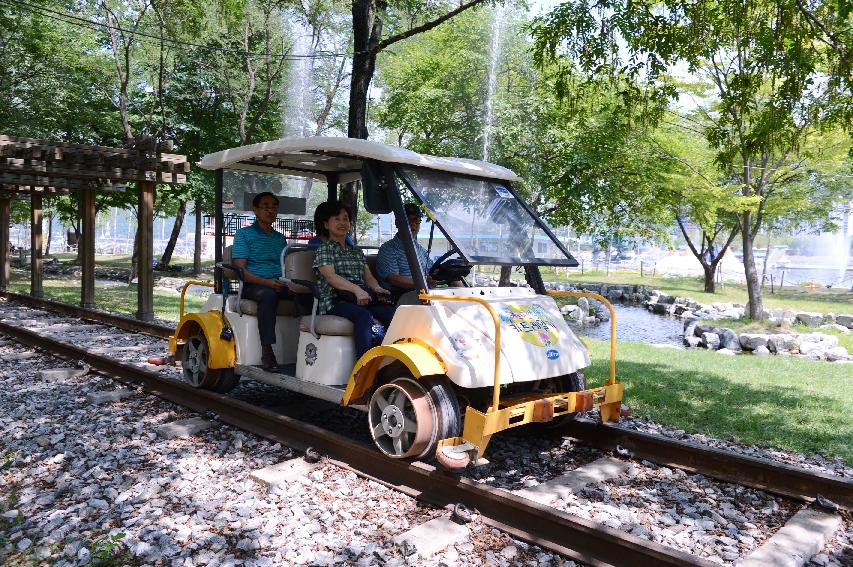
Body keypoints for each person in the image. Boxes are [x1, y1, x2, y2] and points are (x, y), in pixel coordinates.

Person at [313, 200, 395, 359]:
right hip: (335, 301)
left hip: (360, 299)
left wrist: (377, 289)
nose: (342, 223)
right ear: (326, 224)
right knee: (363, 316)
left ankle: (388, 362)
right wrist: (357, 290)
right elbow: (331, 277)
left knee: (392, 313)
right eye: (336, 219)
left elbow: (369, 277)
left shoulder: (356, 252)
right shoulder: (325, 249)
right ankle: (363, 368)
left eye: (345, 219)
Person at [231, 192, 291, 370]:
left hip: (278, 283)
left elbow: (285, 266)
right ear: (255, 210)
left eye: (274, 207)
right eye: (265, 206)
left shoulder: (280, 238)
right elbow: (240, 271)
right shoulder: (243, 235)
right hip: (253, 285)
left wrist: (285, 283)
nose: (270, 210)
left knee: (309, 295)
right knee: (268, 295)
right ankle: (267, 350)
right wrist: (268, 283)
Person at [376, 203, 435, 294]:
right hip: (401, 296)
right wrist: (423, 283)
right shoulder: (388, 249)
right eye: (409, 221)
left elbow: (432, 269)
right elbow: (394, 279)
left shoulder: (420, 249)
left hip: (424, 293)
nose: (413, 225)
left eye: (417, 222)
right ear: (397, 223)